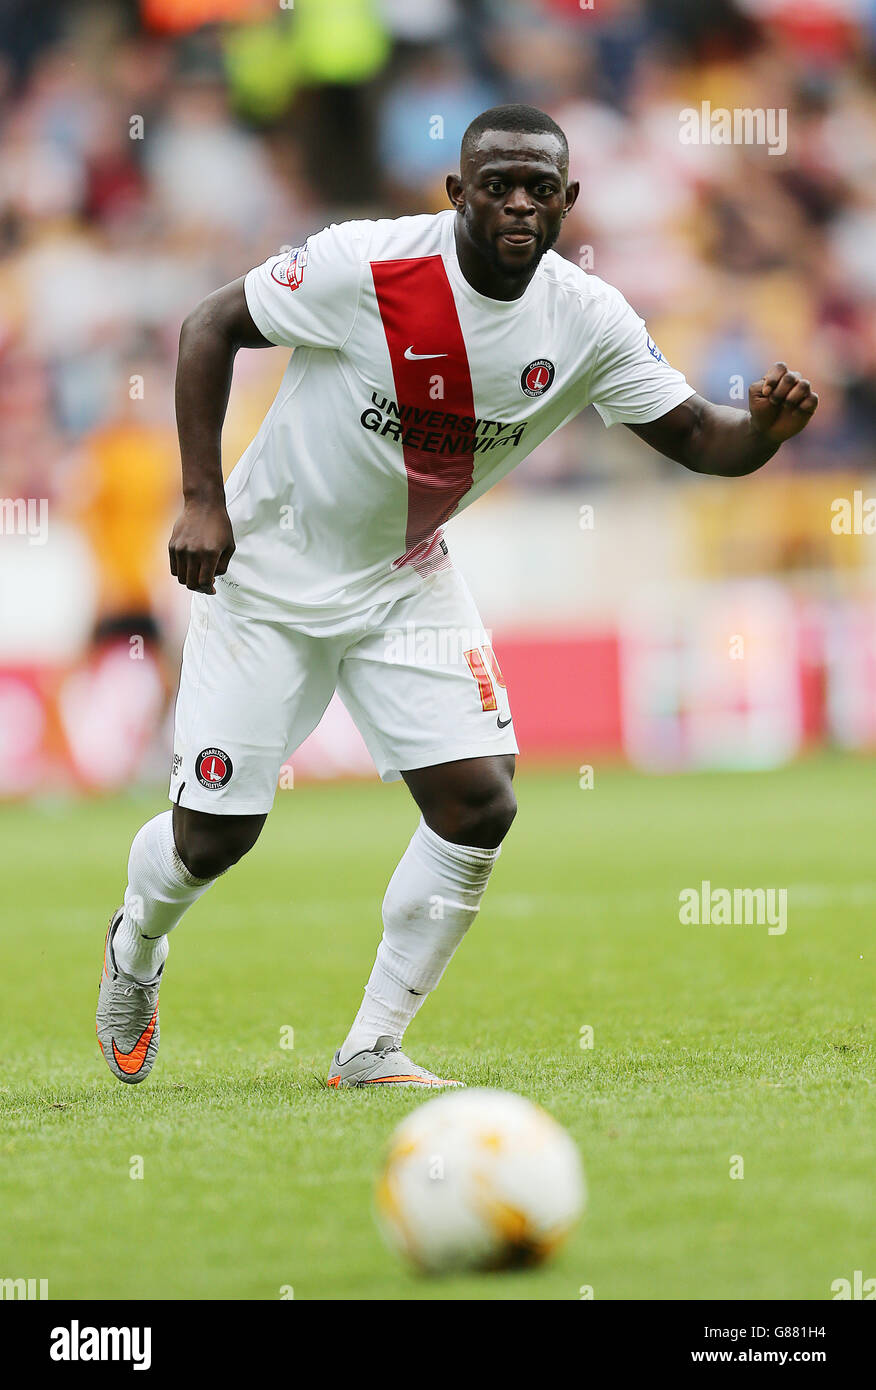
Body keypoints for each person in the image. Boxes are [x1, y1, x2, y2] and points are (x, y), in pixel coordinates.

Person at [96, 104, 818, 1087]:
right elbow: (210, 323)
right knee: (212, 838)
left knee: (478, 803)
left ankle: (372, 1045)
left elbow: (699, 436)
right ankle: (137, 943)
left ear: (568, 201)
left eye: (538, 187)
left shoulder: (589, 319)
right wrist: (200, 501)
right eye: (497, 184)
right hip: (265, 574)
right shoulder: (367, 265)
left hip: (404, 578)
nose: (518, 203)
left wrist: (764, 433)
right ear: (456, 193)